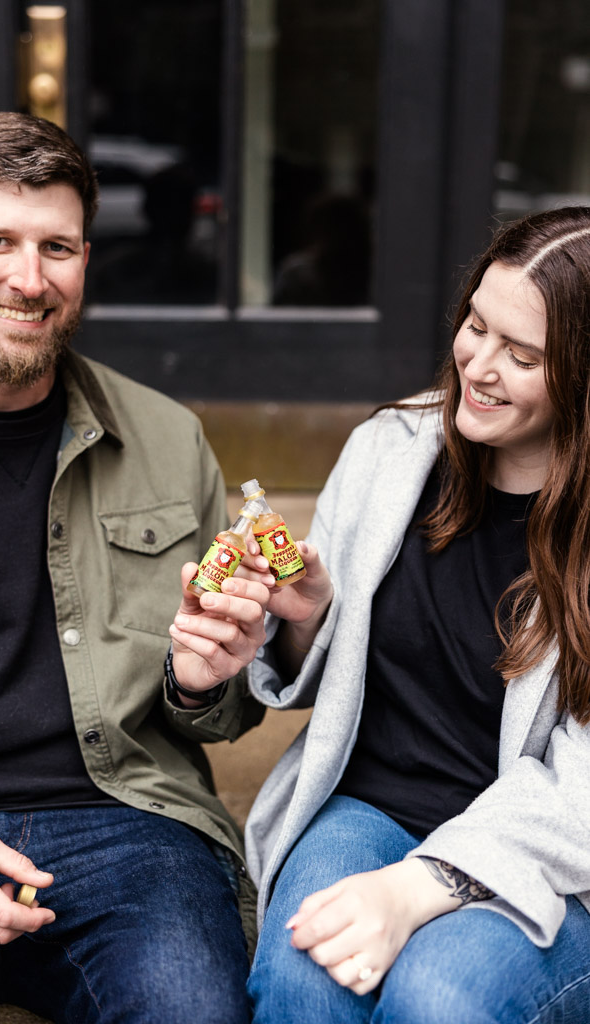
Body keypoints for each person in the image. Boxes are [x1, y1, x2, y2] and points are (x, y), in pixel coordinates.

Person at [0, 111, 270, 1023]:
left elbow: (220, 714)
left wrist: (202, 679)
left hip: (124, 825)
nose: (29, 281)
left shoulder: (165, 437)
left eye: (57, 247)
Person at [241, 206, 590, 1021]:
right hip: (369, 806)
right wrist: (304, 616)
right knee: (303, 972)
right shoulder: (389, 449)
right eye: (476, 325)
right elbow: (311, 678)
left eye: (523, 354)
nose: (478, 364)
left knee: (438, 996)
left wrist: (417, 887)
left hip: (549, 853)